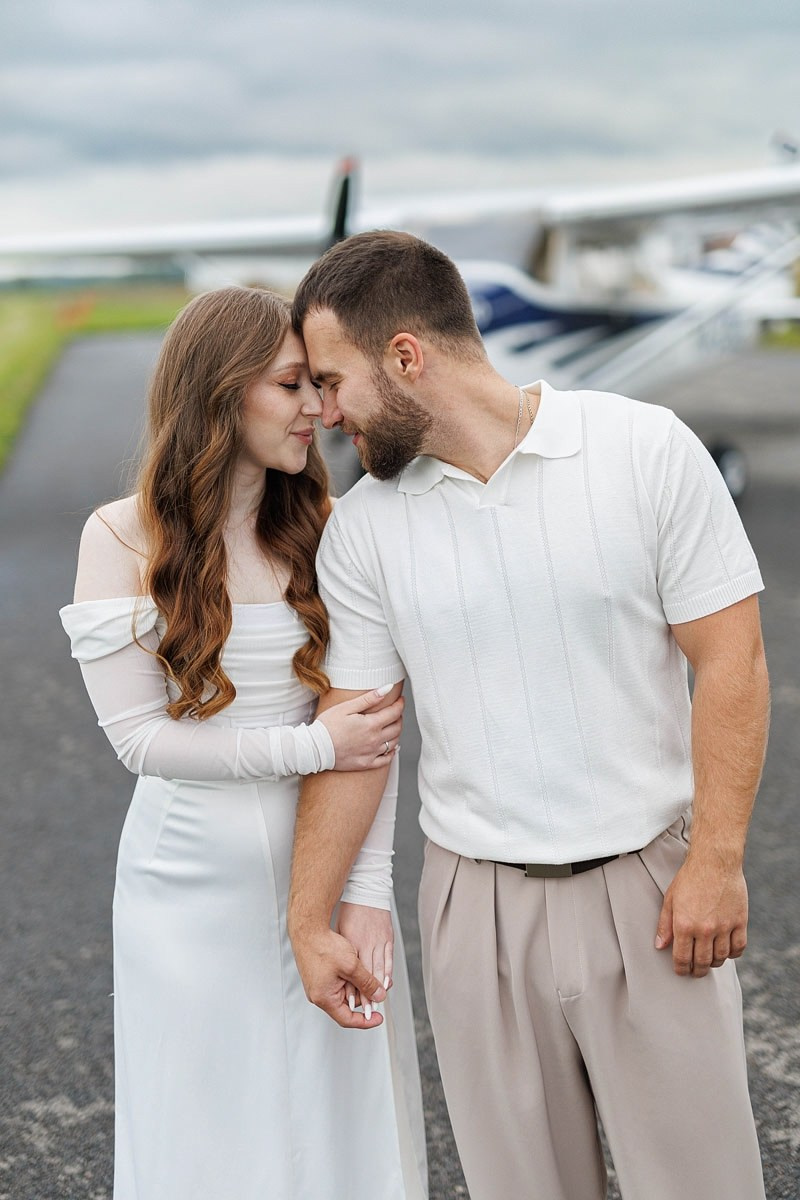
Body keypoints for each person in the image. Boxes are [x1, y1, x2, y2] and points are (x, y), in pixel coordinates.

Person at [286, 231, 770, 1200]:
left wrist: (715, 860)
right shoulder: (365, 531)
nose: (324, 413)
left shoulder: (643, 450)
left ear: (405, 357)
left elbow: (732, 660)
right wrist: (307, 917)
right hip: (475, 918)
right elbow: (356, 734)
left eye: (333, 382)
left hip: (652, 896)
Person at [59, 286, 428, 1200]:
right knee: (207, 1119)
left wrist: (365, 893)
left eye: (319, 386)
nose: (318, 410)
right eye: (292, 385)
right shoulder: (120, 536)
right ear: (221, 391)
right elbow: (140, 741)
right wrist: (310, 749)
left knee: (342, 1115)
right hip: (187, 887)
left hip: (327, 858)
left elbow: (373, 734)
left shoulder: (327, 529)